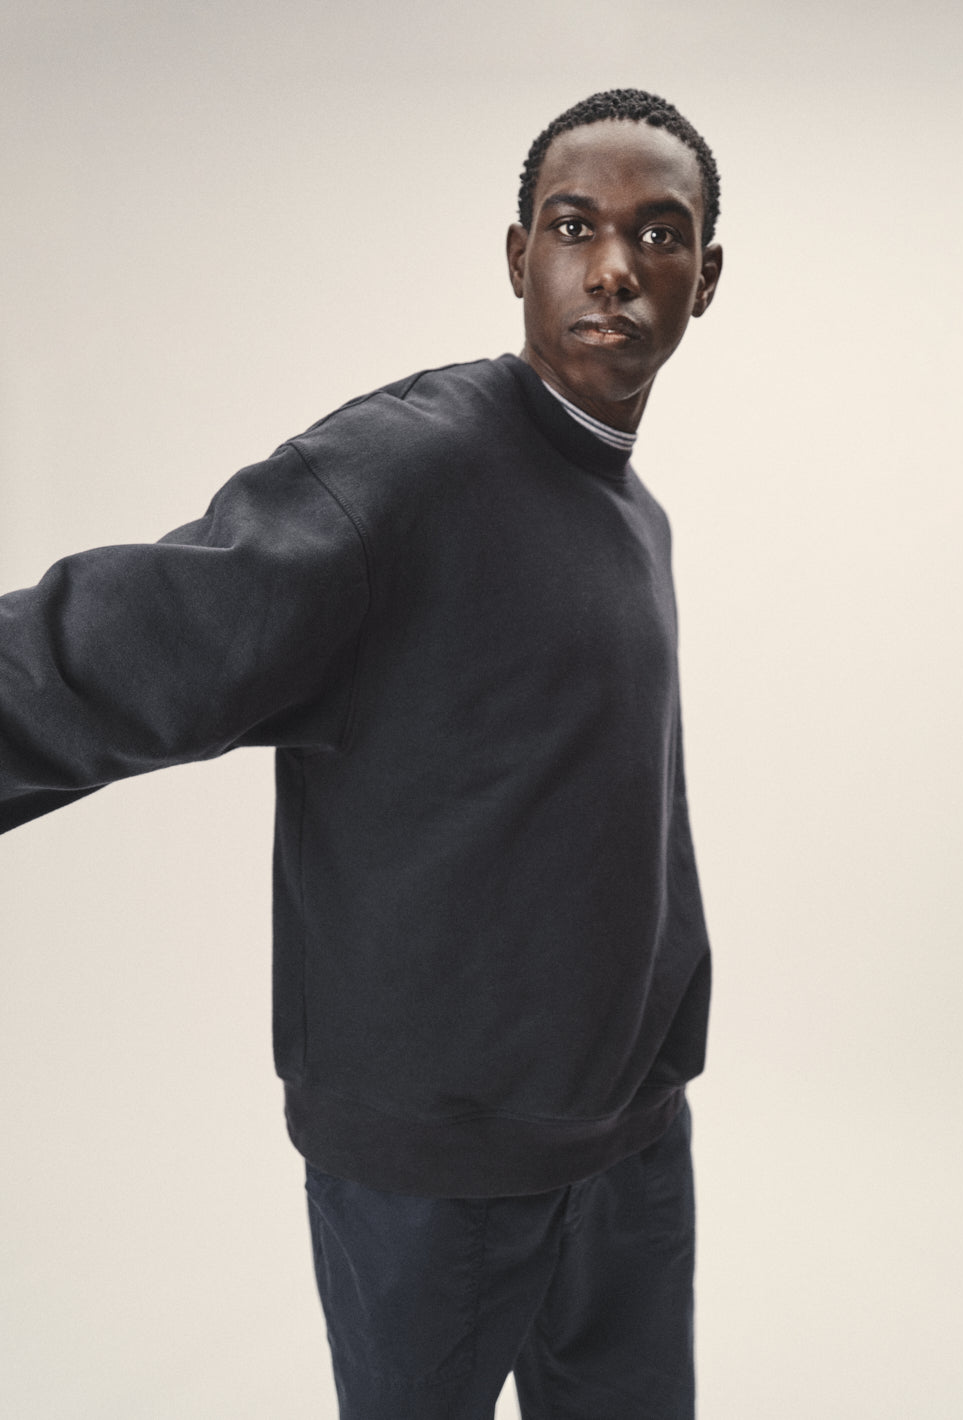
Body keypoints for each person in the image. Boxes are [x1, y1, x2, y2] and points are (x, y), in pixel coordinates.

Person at [0, 88, 723, 1419]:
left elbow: (625, 812)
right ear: (519, 255)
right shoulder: (404, 472)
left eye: (658, 234)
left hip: (626, 1147)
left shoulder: (638, 516)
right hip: (430, 1173)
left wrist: (665, 1050)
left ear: (706, 278)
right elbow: (126, 644)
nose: (615, 266)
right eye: (575, 227)